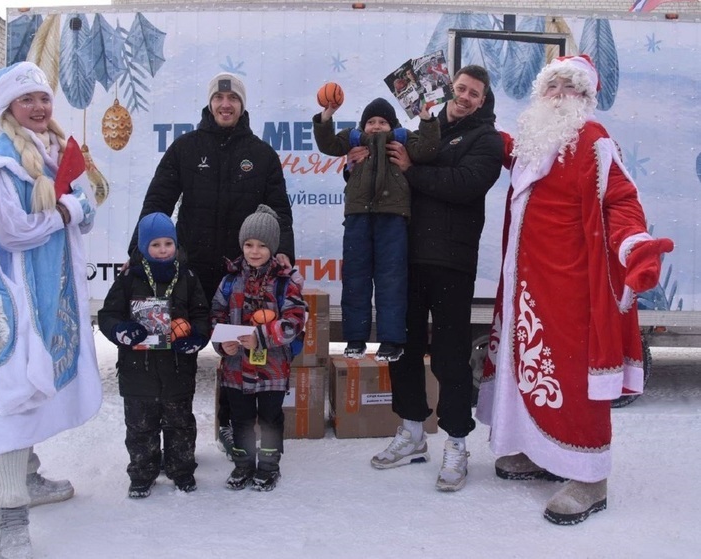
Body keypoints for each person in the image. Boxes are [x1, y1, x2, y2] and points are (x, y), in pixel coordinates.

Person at [475, 55, 674, 525]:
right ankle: (538, 451)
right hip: (526, 289)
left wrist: (635, 247)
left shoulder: (594, 141)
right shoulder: (531, 138)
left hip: (571, 290)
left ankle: (588, 476)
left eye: (572, 86)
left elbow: (622, 201)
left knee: (571, 378)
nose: (561, 93)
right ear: (541, 93)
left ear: (587, 98)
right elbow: (500, 145)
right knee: (529, 371)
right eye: (554, 84)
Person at [0, 61, 102, 558]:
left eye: (44, 98)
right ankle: (10, 520)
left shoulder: (56, 152)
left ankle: (27, 477)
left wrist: (76, 208)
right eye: (27, 100)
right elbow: (13, 230)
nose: (39, 107)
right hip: (18, 300)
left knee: (37, 384)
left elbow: (83, 215)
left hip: (55, 293)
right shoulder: (1, 160)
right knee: (13, 393)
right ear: (9, 107)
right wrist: (68, 210)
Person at [127, 72, 295, 459]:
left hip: (241, 273)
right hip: (191, 269)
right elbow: (158, 201)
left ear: (242, 105)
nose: (226, 105)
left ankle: (228, 423)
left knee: (236, 347)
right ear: (210, 104)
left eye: (233, 99)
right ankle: (180, 430)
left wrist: (283, 248)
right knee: (184, 345)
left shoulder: (262, 154)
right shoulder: (186, 148)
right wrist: (139, 251)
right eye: (220, 99)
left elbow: (279, 210)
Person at [368, 65, 503, 492]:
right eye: (460, 88)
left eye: (474, 93)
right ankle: (411, 433)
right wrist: (363, 164)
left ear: (483, 101)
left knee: (449, 357)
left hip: (451, 263)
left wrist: (411, 170)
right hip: (406, 259)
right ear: (450, 88)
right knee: (402, 349)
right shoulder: (420, 128)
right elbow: (389, 171)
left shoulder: (487, 140)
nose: (464, 96)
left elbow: (463, 184)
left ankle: (457, 443)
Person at [313, 97, 440, 362]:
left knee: (391, 280)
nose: (376, 126)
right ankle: (355, 338)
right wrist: (326, 118)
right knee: (355, 278)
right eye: (371, 122)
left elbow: (428, 149)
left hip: (393, 219)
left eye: (383, 122)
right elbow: (327, 144)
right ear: (363, 125)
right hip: (358, 217)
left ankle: (391, 341)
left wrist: (427, 119)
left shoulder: (404, 139)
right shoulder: (353, 138)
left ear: (392, 125)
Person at [98, 212, 210, 498]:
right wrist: (122, 330)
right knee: (140, 429)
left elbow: (201, 314)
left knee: (181, 426)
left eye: (168, 244)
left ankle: (181, 470)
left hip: (177, 370)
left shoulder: (187, 277)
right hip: (138, 372)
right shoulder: (128, 279)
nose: (163, 250)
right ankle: (142, 473)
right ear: (144, 247)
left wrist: (196, 337)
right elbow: (108, 315)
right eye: (155, 245)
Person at [210, 205, 307, 492]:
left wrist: (262, 338)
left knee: (269, 419)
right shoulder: (229, 281)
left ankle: (268, 466)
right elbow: (217, 314)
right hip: (235, 368)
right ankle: (243, 465)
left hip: (272, 370)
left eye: (262, 245)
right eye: (249, 244)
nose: (254, 251)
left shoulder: (285, 283)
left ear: (273, 247)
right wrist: (221, 343)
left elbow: (294, 322)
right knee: (239, 419)